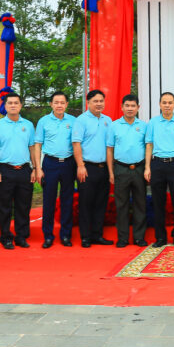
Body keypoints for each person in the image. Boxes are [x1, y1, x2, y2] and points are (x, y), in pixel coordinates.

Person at [145, 92, 174, 248]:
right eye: (164, 102)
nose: (167, 105)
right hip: (157, 164)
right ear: (160, 104)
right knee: (158, 203)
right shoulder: (153, 123)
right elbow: (149, 145)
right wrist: (147, 167)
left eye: (170, 102)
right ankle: (160, 237)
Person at [0, 93, 36, 250]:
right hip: (5, 169)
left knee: (24, 206)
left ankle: (21, 236)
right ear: (5, 106)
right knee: (5, 206)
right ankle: (6, 237)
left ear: (21, 105)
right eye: (10, 103)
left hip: (24, 170)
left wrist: (35, 168)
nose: (13, 105)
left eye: (16, 103)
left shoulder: (28, 125)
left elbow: (32, 147)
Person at [34, 92, 77, 248]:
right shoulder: (43, 121)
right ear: (51, 104)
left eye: (62, 102)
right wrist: (38, 168)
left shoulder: (73, 121)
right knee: (48, 200)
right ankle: (48, 236)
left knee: (67, 200)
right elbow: (38, 145)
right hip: (50, 163)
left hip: (69, 163)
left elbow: (77, 143)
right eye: (56, 102)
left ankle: (65, 235)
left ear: (66, 104)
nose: (59, 105)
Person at [72, 90, 113, 248]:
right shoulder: (81, 121)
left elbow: (110, 146)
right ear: (88, 102)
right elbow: (76, 144)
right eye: (95, 101)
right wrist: (80, 165)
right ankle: (85, 237)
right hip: (87, 167)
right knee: (86, 203)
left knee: (101, 203)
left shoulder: (107, 120)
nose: (99, 104)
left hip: (103, 168)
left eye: (101, 101)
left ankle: (97, 235)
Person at [107, 94, 148, 248]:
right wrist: (111, 172)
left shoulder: (144, 126)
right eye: (127, 106)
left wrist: (147, 168)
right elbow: (109, 150)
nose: (130, 108)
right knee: (121, 204)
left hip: (139, 168)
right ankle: (123, 238)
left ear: (138, 107)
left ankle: (139, 237)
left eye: (133, 106)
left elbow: (148, 148)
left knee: (140, 203)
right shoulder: (114, 126)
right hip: (121, 169)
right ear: (122, 107)